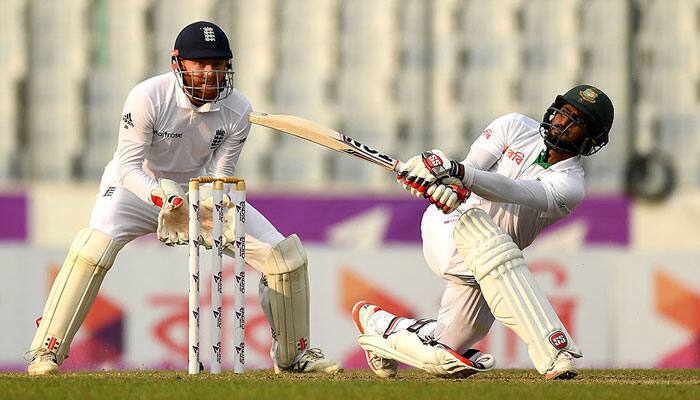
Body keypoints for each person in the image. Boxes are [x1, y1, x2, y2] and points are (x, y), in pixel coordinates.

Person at [27, 21, 341, 375]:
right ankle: (46, 350)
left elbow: (223, 174)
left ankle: (293, 356)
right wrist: (163, 198)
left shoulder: (238, 109)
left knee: (286, 259)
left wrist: (214, 201)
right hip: (137, 189)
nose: (209, 72)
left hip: (197, 192)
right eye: (200, 63)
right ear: (178, 63)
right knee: (92, 248)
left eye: (218, 64)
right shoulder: (148, 97)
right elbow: (128, 167)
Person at [352, 85, 614, 380]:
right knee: (491, 242)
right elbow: (469, 168)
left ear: (591, 140)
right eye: (564, 113)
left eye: (576, 122)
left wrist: (458, 174)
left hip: (495, 267)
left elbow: (515, 190)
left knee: (444, 354)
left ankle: (380, 327)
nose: (563, 123)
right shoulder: (513, 125)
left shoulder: (570, 186)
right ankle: (554, 350)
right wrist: (442, 179)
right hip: (451, 226)